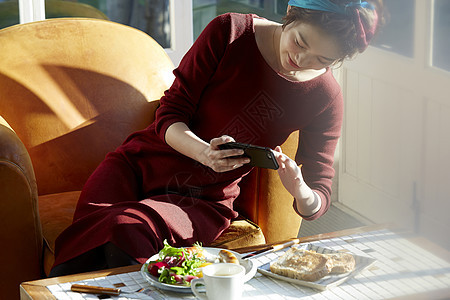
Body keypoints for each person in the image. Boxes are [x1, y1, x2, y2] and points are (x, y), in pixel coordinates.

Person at [50, 0, 383, 276]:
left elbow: (318, 193)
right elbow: (170, 113)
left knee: (125, 227)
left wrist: (300, 190)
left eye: (322, 60)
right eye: (300, 42)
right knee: (86, 249)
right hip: (135, 167)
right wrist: (204, 153)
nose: (301, 61)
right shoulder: (230, 32)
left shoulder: (325, 97)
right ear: (292, 14)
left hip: (201, 199)